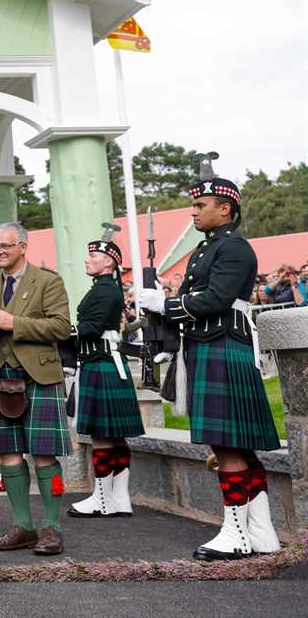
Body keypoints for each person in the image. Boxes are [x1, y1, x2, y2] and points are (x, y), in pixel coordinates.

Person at [140, 154, 282, 559]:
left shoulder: (234, 248)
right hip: (208, 346)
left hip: (223, 343)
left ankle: (236, 535)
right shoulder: (208, 249)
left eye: (201, 206)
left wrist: (166, 305)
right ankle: (261, 533)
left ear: (226, 209)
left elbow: (216, 299)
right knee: (233, 446)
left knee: (227, 445)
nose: (194, 211)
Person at [0, 222, 73, 556]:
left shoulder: (48, 281)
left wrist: (15, 324)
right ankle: (23, 526)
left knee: (43, 454)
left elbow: (61, 327)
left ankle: (52, 528)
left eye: (5, 246)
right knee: (9, 454)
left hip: (39, 376)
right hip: (1, 374)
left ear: (23, 246)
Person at [69, 226, 145, 518]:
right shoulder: (105, 288)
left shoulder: (104, 290)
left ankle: (103, 500)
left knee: (102, 435)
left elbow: (90, 328)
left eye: (93, 255)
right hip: (105, 362)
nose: (88, 260)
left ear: (109, 262)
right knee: (114, 436)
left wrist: (57, 330)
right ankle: (118, 498)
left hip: (101, 363)